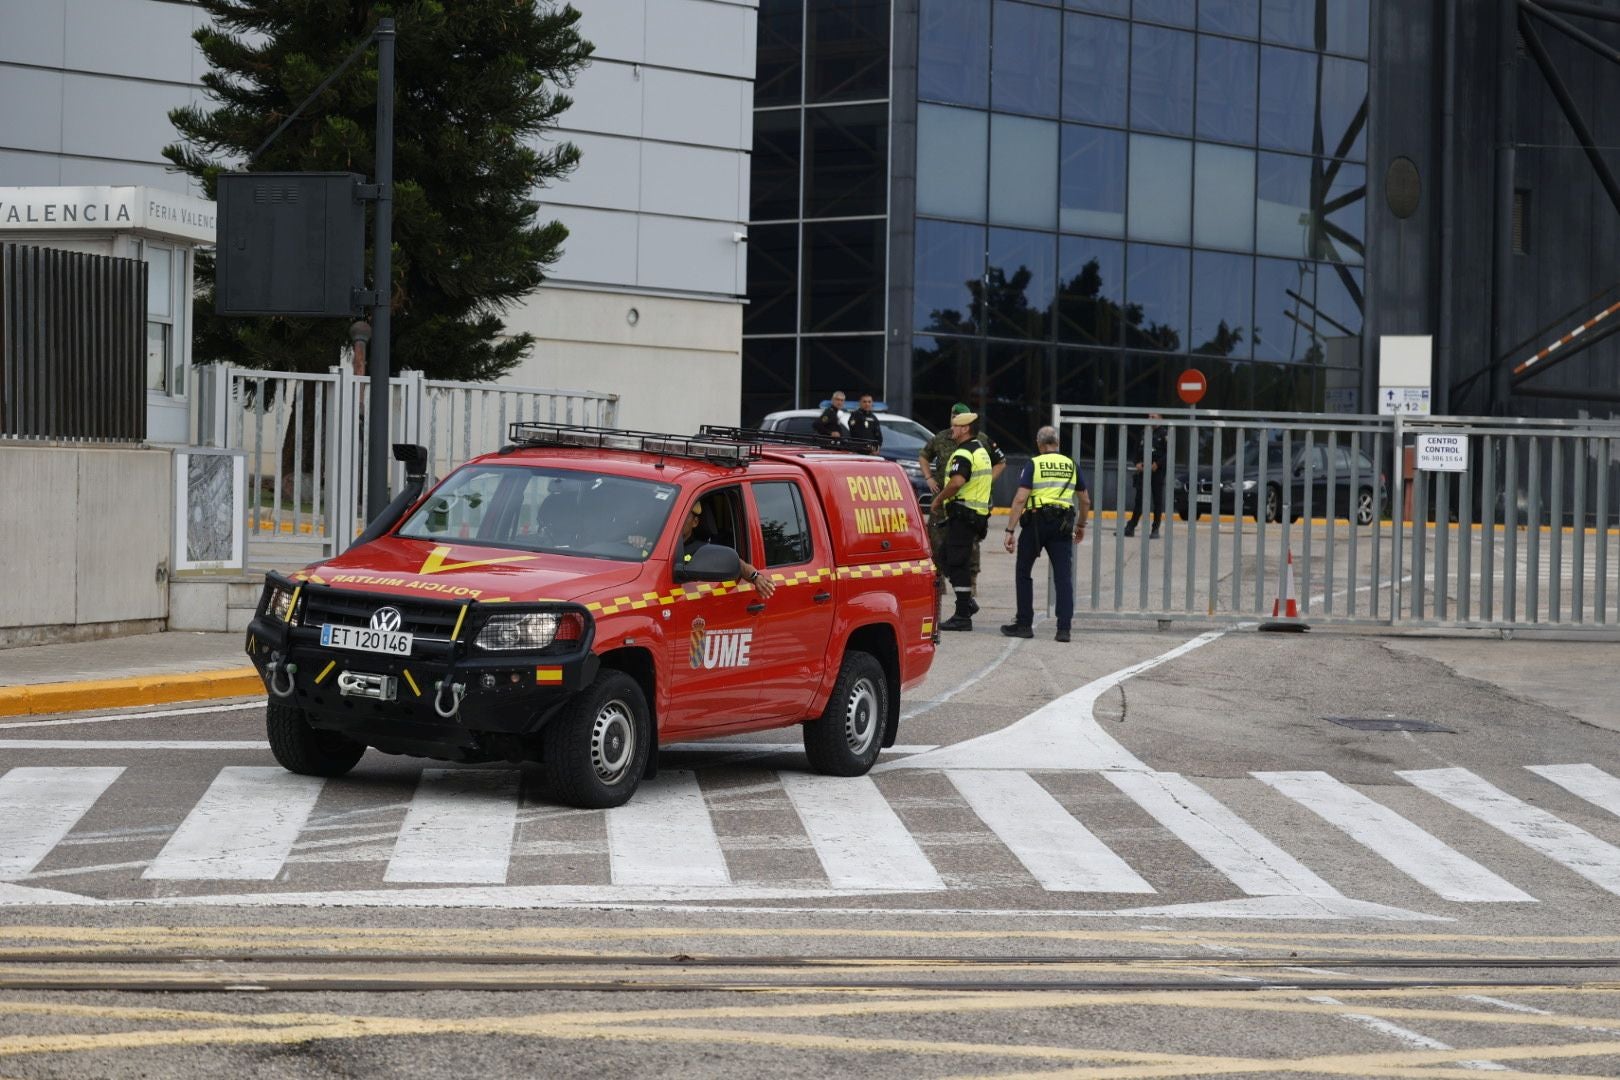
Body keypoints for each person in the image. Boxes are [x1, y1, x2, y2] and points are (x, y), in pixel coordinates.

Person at [1000, 426, 1089, 643]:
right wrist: (1081, 525)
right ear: (1057, 443)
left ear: (1040, 445)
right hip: (1062, 526)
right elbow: (1085, 500)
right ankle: (1064, 629)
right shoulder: (1071, 464)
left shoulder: (1034, 464)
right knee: (1063, 577)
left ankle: (1024, 625)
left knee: (1023, 572)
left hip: (1036, 525)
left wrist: (1010, 530)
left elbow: (1020, 499)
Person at [920, 403, 1005, 594]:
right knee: (937, 542)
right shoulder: (941, 438)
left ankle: (968, 586)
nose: (954, 423)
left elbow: (1000, 462)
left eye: (959, 419)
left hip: (964, 504)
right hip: (947, 500)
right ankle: (940, 580)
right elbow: (924, 456)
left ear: (966, 425)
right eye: (954, 418)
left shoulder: (979, 440)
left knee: (967, 546)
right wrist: (929, 478)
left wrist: (985, 481)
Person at [933, 412, 993, 631]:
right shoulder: (980, 451)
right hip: (973, 515)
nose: (952, 430)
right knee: (945, 556)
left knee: (957, 562)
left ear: (965, 428)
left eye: (956, 426)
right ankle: (967, 602)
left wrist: (939, 499)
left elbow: (957, 481)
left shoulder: (965, 453)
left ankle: (962, 615)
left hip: (965, 513)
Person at [679, 501, 776, 598]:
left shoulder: (701, 549)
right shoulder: (667, 544)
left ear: (695, 522)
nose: (678, 521)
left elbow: (735, 563)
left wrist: (755, 577)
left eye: (684, 516)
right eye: (677, 516)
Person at [1125, 413, 1168, 538]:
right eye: (1148, 417)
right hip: (1143, 470)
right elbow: (1136, 450)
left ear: (1160, 419)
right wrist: (1137, 463)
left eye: (1153, 417)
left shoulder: (1165, 434)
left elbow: (1168, 453)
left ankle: (1155, 529)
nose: (1150, 419)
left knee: (1157, 500)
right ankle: (1131, 527)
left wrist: (1158, 464)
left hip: (1157, 472)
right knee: (1139, 499)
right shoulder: (1144, 432)